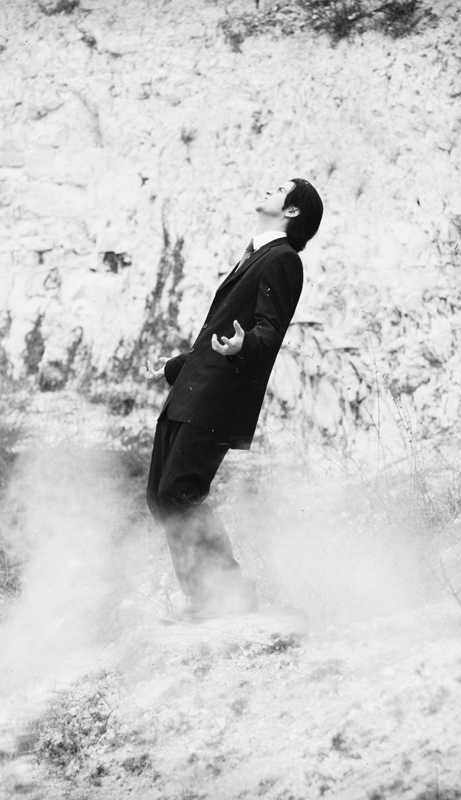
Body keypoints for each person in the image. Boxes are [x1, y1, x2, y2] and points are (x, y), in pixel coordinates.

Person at [145, 178, 323, 620]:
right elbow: (222, 333)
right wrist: (176, 366)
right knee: (161, 496)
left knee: (179, 494)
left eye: (280, 188)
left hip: (218, 399)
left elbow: (269, 329)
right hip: (193, 391)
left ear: (293, 210)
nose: (269, 189)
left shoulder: (283, 259)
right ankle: (209, 595)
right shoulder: (257, 254)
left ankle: (225, 595)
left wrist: (246, 345)